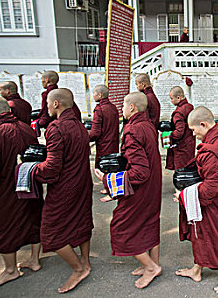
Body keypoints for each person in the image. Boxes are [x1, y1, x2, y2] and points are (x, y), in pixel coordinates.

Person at [94, 92, 162, 289]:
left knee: (122, 227)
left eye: (123, 106)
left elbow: (139, 172)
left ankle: (150, 267)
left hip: (140, 189)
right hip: (153, 186)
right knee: (149, 221)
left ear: (131, 108)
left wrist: (108, 179)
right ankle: (154, 262)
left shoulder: (132, 130)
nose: (121, 110)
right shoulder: (148, 125)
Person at [32, 88, 93, 293]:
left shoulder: (56, 128)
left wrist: (30, 169)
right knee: (82, 218)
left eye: (48, 103)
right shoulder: (80, 125)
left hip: (65, 185)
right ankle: (85, 261)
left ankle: (78, 269)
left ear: (56, 104)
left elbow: (52, 167)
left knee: (50, 231)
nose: (46, 107)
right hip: (83, 181)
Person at [176, 106, 218, 295]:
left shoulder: (213, 150)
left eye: (194, 130)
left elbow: (209, 190)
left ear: (203, 124)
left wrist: (183, 196)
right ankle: (197, 270)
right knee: (201, 234)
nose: (194, 134)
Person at [0, 97, 42, 288]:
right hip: (31, 182)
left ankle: (11, 270)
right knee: (33, 218)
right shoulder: (26, 127)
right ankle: (34, 260)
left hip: (9, 187)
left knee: (3, 228)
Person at [165, 86, 195, 172]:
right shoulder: (189, 107)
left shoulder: (178, 113)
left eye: (171, 98)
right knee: (189, 167)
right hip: (190, 142)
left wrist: (169, 135)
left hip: (181, 146)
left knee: (180, 171)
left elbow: (179, 132)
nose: (171, 101)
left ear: (178, 98)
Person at [89, 84, 119, 165]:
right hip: (114, 145)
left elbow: (95, 133)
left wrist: (85, 136)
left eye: (94, 93)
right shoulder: (113, 107)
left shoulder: (99, 110)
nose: (93, 96)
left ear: (100, 95)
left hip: (103, 147)